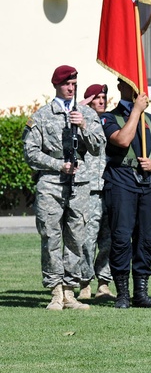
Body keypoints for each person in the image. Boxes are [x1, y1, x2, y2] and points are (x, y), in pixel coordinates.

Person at [23, 66, 104, 310]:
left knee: (76, 237)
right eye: (67, 84)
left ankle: (70, 292)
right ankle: (56, 291)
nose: (71, 88)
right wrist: (58, 165)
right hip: (51, 183)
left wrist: (84, 127)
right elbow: (30, 152)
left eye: (74, 84)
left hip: (79, 183)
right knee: (51, 235)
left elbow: (98, 146)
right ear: (57, 85)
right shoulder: (42, 116)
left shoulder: (86, 114)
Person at [101, 78, 151, 308]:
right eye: (131, 84)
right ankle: (122, 294)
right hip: (121, 179)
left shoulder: (150, 120)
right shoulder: (109, 117)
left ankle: (141, 293)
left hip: (147, 182)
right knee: (121, 238)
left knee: (145, 239)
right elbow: (122, 139)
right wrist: (136, 110)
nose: (138, 89)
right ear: (121, 86)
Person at [78, 83, 113, 300]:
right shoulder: (79, 118)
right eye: (97, 97)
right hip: (89, 187)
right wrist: (82, 107)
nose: (101, 101)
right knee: (87, 238)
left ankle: (104, 283)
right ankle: (84, 283)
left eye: (103, 97)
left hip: (109, 186)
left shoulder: (111, 121)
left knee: (109, 239)